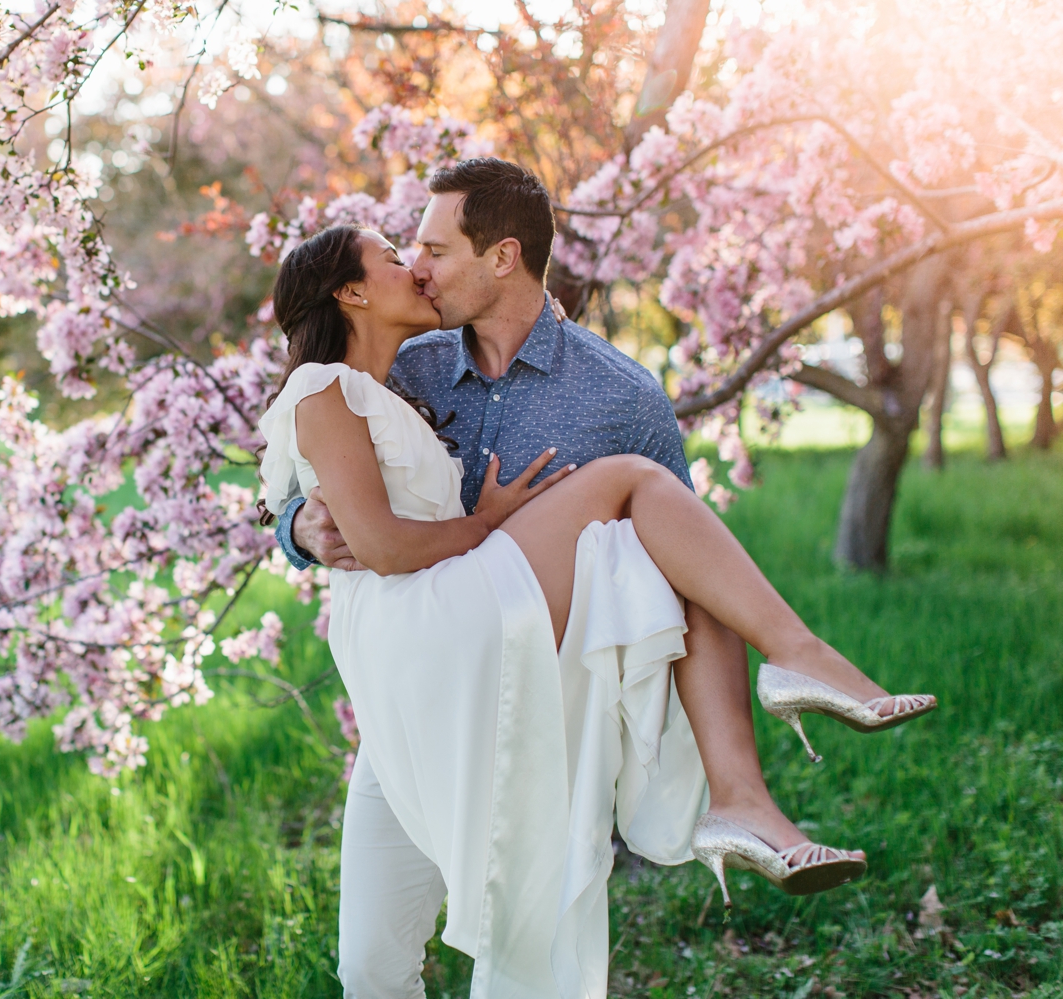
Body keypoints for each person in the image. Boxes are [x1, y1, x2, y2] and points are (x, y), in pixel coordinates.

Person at [261, 161, 935, 998]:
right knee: (368, 962)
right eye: (407, 252)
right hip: (418, 684)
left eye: (434, 247)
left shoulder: (620, 395)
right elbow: (306, 476)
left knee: (532, 943)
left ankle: (746, 791)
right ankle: (794, 668)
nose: (421, 266)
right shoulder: (410, 365)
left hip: (544, 692)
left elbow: (691, 573)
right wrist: (299, 527)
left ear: (502, 256)